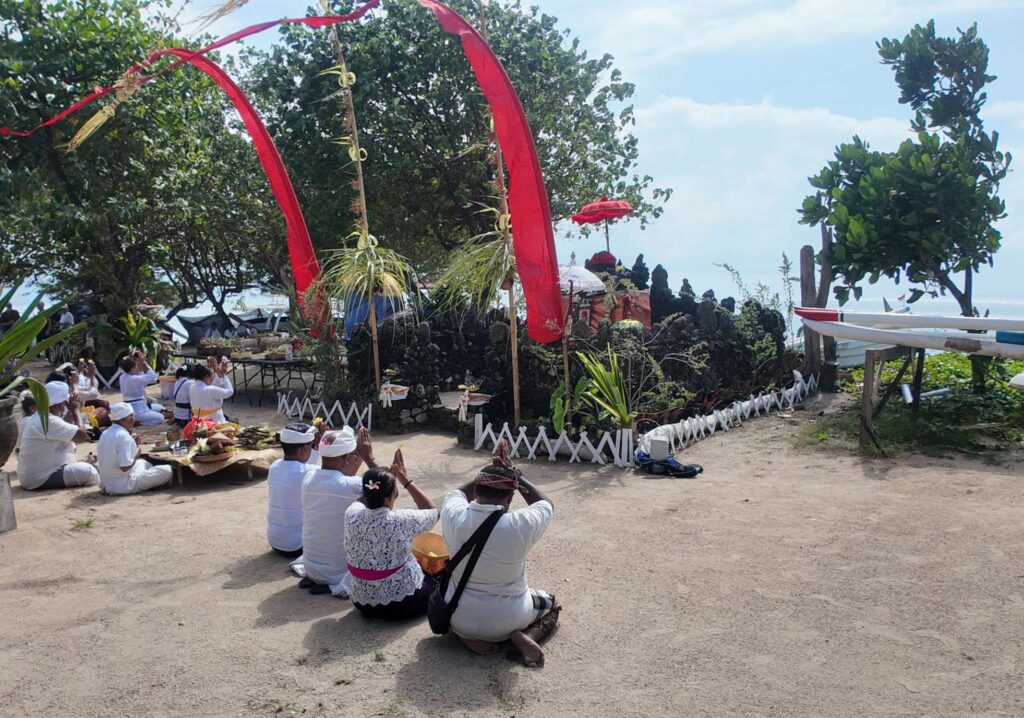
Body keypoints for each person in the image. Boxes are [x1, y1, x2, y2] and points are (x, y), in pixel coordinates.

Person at [441, 440, 560, 667]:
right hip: (510, 617)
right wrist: (514, 474)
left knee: (453, 599)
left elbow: (456, 493)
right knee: (552, 603)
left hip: (457, 615)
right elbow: (546, 503)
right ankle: (526, 636)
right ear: (510, 499)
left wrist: (485, 472)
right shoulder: (518, 524)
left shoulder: (453, 515)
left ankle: (467, 636)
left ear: (476, 491)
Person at [345, 451, 439, 620]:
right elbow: (433, 512)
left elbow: (363, 499)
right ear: (391, 496)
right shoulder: (401, 519)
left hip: (361, 601)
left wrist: (384, 480)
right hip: (401, 605)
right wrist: (404, 480)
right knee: (439, 577)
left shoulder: (352, 514)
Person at [291, 427, 376, 597]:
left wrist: (355, 456)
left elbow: (339, 480)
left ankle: (320, 580)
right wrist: (368, 457)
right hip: (338, 573)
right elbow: (386, 488)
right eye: (354, 456)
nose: (356, 459)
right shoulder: (353, 485)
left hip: (312, 568)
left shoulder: (309, 478)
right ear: (346, 458)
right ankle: (333, 583)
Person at [16, 380, 99, 490]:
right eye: (64, 402)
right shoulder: (48, 420)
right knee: (89, 472)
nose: (65, 405)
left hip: (33, 475)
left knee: (71, 447)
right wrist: (75, 411)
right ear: (58, 405)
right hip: (40, 478)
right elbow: (82, 434)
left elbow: (69, 431)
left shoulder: (42, 416)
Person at [266, 422, 322, 559]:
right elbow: (340, 480)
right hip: (297, 545)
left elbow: (304, 466)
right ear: (303, 449)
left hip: (275, 541)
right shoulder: (308, 471)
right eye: (311, 446)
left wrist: (314, 446)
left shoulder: (274, 466)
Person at [96, 402, 173, 495]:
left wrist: (133, 445)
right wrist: (136, 454)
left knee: (144, 463)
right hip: (124, 485)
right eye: (132, 416)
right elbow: (125, 467)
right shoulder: (123, 436)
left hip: (108, 483)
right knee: (167, 470)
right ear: (124, 420)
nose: (134, 419)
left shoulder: (106, 433)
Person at [118, 352, 165, 426]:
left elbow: (141, 376)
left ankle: (141, 418)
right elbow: (153, 376)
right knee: (160, 418)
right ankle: (139, 423)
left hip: (139, 406)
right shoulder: (133, 379)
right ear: (132, 368)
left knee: (160, 408)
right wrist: (144, 363)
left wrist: (139, 364)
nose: (138, 367)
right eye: (136, 366)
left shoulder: (123, 376)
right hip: (137, 411)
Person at [189, 358, 233, 423]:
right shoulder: (209, 390)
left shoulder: (192, 387)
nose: (213, 378)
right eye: (212, 376)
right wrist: (224, 376)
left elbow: (213, 387)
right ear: (206, 377)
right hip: (214, 423)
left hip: (199, 423)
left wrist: (218, 372)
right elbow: (229, 392)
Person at [13, 392, 36, 456]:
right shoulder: (29, 421)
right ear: (31, 408)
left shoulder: (22, 418)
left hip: (21, 450)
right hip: (26, 451)